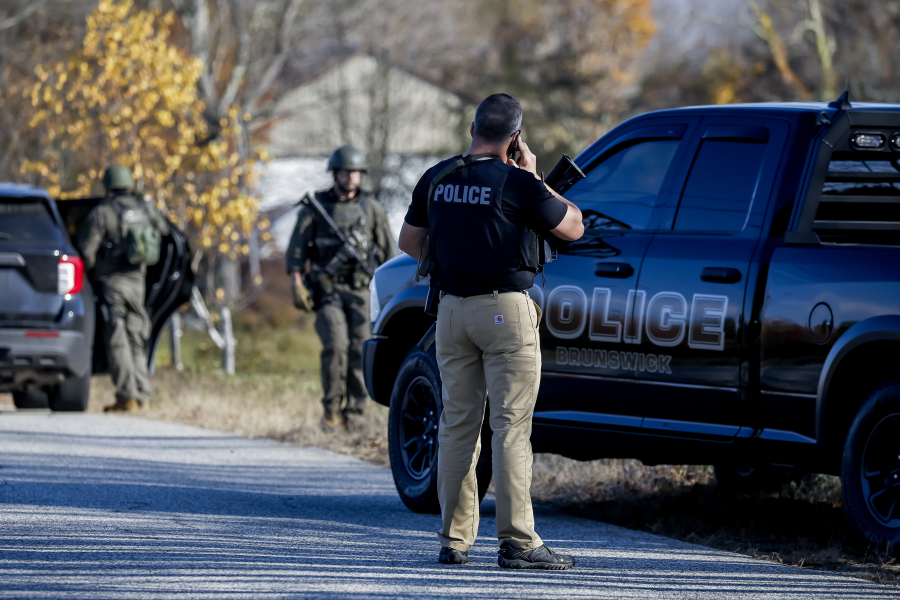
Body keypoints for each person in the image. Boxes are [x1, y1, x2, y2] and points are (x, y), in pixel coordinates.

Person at [398, 94, 584, 569]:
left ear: (474, 128)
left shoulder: (437, 177)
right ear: (515, 137)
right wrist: (536, 176)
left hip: (451, 314)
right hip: (504, 312)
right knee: (510, 428)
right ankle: (518, 541)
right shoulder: (518, 182)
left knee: (457, 426)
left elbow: (410, 241)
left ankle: (454, 540)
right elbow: (573, 228)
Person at [286, 145, 396, 432]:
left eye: (356, 173)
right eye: (346, 172)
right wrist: (297, 285)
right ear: (335, 173)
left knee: (360, 349)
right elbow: (296, 251)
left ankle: (356, 413)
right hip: (328, 291)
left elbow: (388, 253)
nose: (351, 177)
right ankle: (331, 412)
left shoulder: (371, 209)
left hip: (361, 291)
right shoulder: (316, 208)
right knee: (335, 347)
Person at [79, 165, 169, 412]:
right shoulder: (144, 209)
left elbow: (87, 251)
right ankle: (143, 395)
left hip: (112, 285)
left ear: (108, 188)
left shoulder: (102, 213)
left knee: (117, 339)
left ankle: (126, 396)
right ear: (129, 186)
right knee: (135, 338)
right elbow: (164, 231)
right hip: (137, 283)